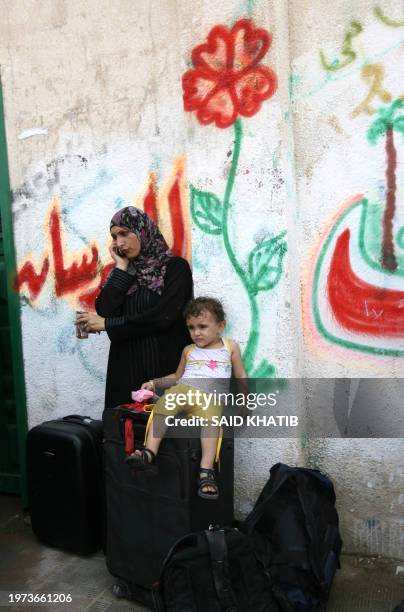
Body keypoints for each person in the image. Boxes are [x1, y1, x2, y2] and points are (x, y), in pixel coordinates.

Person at [126, 297, 248, 500]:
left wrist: (245, 400)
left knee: (212, 423)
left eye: (202, 326)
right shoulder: (188, 350)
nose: (196, 333)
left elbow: (241, 375)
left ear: (220, 326)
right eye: (191, 328)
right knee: (164, 406)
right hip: (185, 390)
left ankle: (206, 471)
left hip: (211, 397)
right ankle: (149, 453)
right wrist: (155, 383)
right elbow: (176, 377)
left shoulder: (230, 347)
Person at [76, 206, 193, 408]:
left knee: (167, 436)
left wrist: (108, 325)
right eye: (114, 237)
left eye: (124, 233)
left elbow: (162, 317)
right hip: (126, 371)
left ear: (142, 230)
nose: (119, 243)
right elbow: (105, 309)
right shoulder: (124, 274)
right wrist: (121, 267)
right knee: (124, 434)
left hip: (164, 369)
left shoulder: (175, 268)